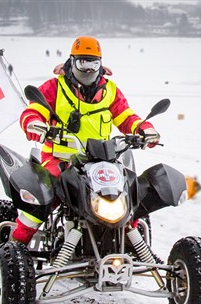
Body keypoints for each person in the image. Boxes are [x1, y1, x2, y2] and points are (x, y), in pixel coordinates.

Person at [11, 36, 161, 244]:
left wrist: (144, 130)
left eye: (93, 62)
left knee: (128, 196)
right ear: (72, 61)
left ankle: (133, 243)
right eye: (83, 62)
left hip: (102, 158)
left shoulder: (110, 90)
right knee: (46, 194)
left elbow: (126, 117)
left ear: (100, 64)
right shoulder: (55, 87)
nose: (88, 69)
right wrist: (34, 124)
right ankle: (16, 243)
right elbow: (34, 110)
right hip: (60, 157)